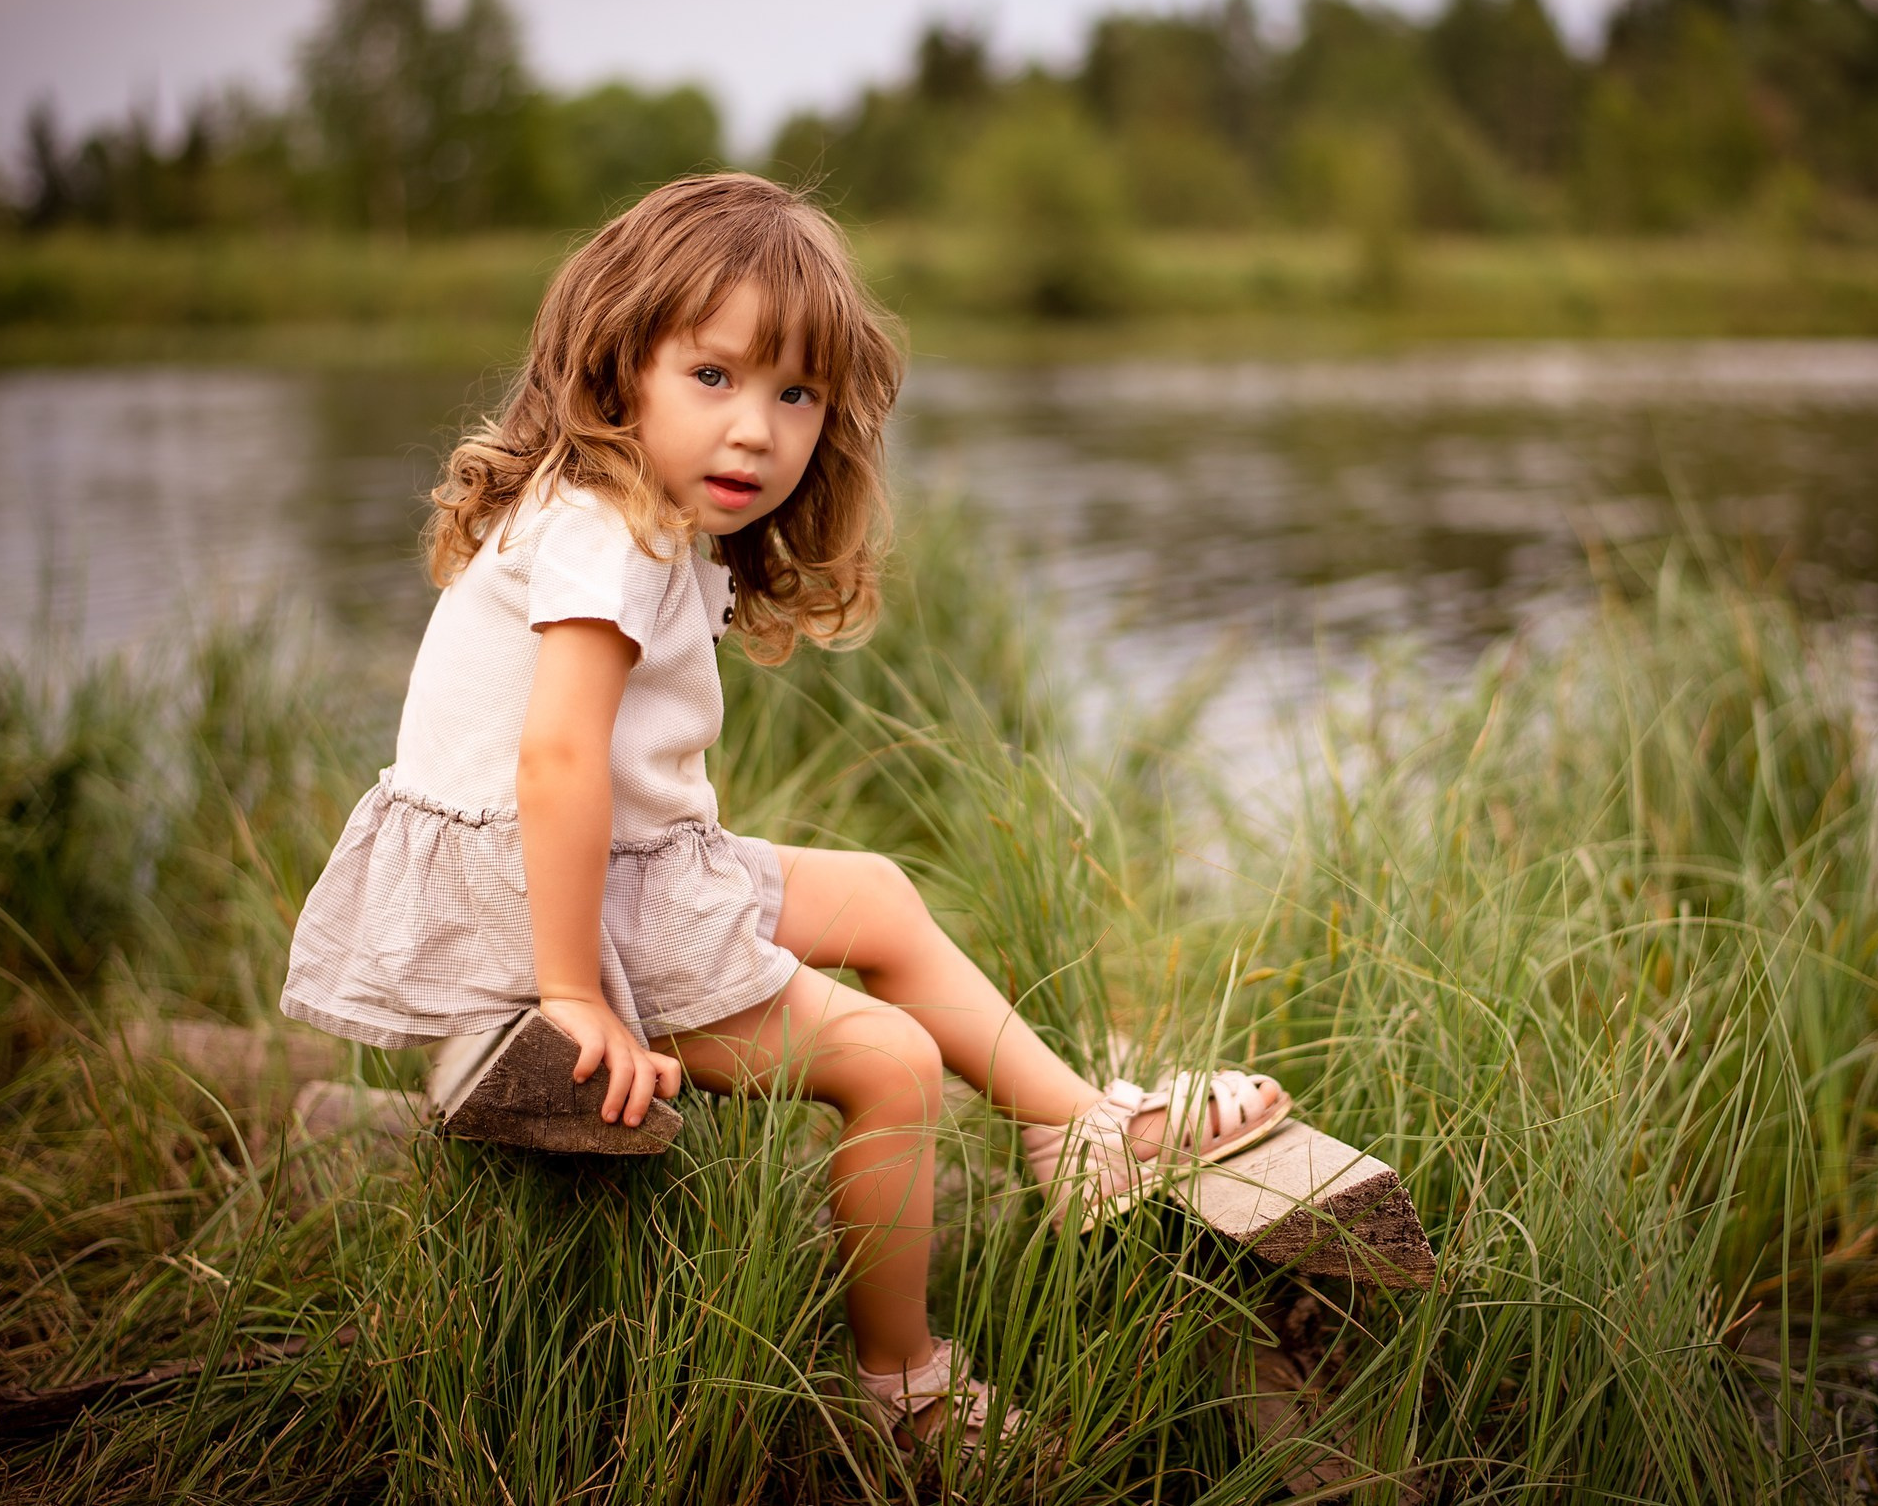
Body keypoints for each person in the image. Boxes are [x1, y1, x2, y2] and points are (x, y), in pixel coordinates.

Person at [279, 173, 1290, 1462]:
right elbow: (557, 761)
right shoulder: (606, 536)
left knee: (873, 891)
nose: (756, 431)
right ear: (615, 366)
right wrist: (573, 995)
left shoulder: (616, 512)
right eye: (713, 378)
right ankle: (905, 1385)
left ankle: (1077, 1133)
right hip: (550, 910)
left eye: (794, 394)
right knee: (894, 1066)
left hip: (602, 877)